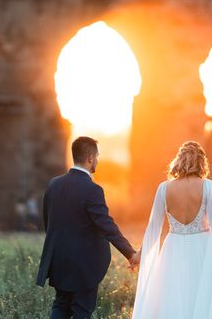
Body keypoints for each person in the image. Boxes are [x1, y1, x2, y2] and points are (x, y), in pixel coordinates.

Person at [36, 136, 137, 319]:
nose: (97, 160)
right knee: (82, 311)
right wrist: (131, 253)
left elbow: (49, 222)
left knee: (60, 306)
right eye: (97, 156)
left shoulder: (53, 185)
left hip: (59, 260)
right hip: (84, 266)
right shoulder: (92, 190)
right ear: (90, 157)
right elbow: (107, 226)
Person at [131, 141, 212, 319]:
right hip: (200, 247)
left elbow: (154, 228)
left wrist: (141, 253)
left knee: (172, 296)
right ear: (201, 161)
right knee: (198, 297)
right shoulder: (209, 187)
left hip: (173, 248)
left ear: (179, 160)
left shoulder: (164, 188)